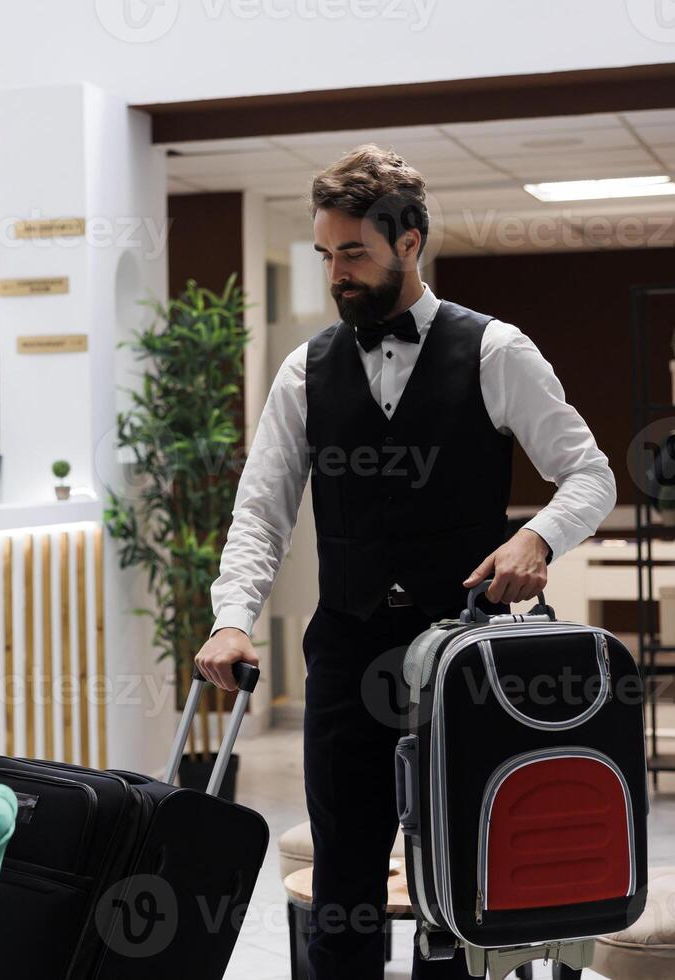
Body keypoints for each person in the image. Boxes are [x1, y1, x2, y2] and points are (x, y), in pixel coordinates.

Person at [193, 146, 616, 980]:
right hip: (348, 655)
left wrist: (537, 539)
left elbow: (591, 473)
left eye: (355, 253)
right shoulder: (303, 371)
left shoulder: (496, 351)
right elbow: (261, 511)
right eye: (326, 254)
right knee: (343, 891)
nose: (337, 274)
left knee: (454, 886)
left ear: (410, 242)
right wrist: (232, 616)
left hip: (464, 661)